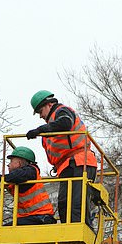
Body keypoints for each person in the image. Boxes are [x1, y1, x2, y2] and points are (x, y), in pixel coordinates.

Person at [25, 90, 98, 226]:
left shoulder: (61, 111)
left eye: (41, 111)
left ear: (49, 104)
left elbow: (65, 123)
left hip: (80, 161)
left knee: (77, 203)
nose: (41, 116)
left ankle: (78, 234)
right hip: (67, 166)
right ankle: (68, 235)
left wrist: (40, 130)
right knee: (64, 204)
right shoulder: (51, 125)